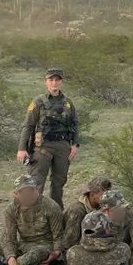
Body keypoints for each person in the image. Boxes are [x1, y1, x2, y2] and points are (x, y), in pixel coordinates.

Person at [16, 68, 79, 208]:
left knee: (59, 183)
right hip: (42, 147)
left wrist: (75, 144)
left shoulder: (68, 102)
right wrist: (22, 149)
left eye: (57, 80)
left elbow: (74, 124)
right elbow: (28, 125)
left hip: (62, 147)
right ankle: (34, 214)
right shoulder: (38, 102)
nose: (54, 83)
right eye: (51, 80)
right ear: (45, 82)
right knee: (36, 183)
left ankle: (56, 213)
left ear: (61, 82)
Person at [2, 175, 65, 265]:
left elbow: (59, 235)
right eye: (22, 192)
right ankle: (13, 264)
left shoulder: (51, 206)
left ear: (37, 190)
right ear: (16, 194)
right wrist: (11, 258)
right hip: (24, 245)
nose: (27, 195)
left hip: (45, 246)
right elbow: (9, 237)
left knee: (37, 254)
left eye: (30, 190)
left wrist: (55, 253)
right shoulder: (11, 210)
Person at [61, 177, 112, 251]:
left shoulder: (101, 206)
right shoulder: (77, 211)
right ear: (92, 195)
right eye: (104, 194)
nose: (108, 197)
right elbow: (69, 242)